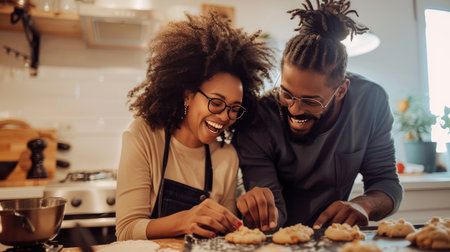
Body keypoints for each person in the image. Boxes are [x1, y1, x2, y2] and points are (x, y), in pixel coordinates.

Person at [233, 0, 403, 231]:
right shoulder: (258, 117)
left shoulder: (370, 102)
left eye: (311, 101)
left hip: (336, 238)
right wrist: (263, 212)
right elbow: (273, 209)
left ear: (341, 90)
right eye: (286, 94)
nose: (294, 109)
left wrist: (364, 205)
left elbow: (386, 182)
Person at [115, 12, 274, 240]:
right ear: (188, 95)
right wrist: (184, 220)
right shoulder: (143, 136)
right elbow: (126, 231)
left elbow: (225, 238)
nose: (224, 117)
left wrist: (245, 220)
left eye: (234, 108)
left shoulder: (226, 157)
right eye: (216, 102)